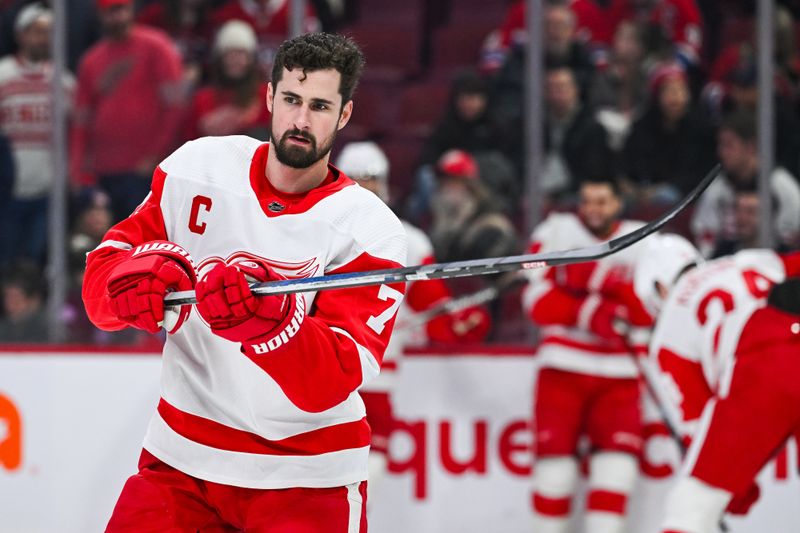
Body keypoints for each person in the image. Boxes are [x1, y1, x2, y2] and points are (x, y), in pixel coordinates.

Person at [82, 32, 407, 531]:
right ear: (270, 97)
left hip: (307, 478)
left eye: (320, 106)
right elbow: (101, 284)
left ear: (343, 115)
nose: (301, 120)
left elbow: (332, 380)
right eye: (293, 100)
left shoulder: (370, 230)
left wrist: (272, 324)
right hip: (182, 463)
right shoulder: (198, 168)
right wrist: (129, 282)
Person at [335, 141, 490, 496]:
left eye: (371, 179)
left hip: (376, 377)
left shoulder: (409, 241)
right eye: (356, 179)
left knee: (364, 476)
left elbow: (436, 317)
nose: (365, 188)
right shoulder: (313, 232)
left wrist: (465, 321)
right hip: (323, 374)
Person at [633, 237, 800, 532]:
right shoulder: (744, 260)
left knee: (689, 511)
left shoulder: (666, 337)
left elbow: (700, 428)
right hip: (789, 328)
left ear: (659, 287)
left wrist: (738, 492)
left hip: (763, 365)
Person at [522, 177, 653, 533]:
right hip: (561, 368)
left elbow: (651, 309)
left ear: (618, 203)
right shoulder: (556, 231)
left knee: (617, 470)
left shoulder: (645, 239)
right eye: (587, 201)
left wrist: (586, 286)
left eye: (602, 201)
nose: (593, 209)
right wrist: (593, 310)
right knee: (554, 473)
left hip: (621, 374)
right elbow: (534, 299)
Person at [70, 0, 184, 223]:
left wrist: (155, 155)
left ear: (131, 10)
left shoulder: (157, 47)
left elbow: (175, 107)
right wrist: (77, 169)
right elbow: (81, 120)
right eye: (111, 11)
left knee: (143, 239)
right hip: (103, 170)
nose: (118, 17)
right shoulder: (92, 60)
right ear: (100, 16)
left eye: (121, 9)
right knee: (106, 241)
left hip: (144, 169)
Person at [0, 3, 74, 268]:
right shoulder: (3, 75)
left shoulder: (62, 81)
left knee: (39, 258)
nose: (43, 38)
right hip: (9, 190)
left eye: (48, 32)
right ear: (21, 34)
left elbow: (74, 130)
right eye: (37, 31)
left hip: (49, 189)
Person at [691, 110, 800, 257]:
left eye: (728, 145)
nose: (721, 152)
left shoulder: (782, 187)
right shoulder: (716, 189)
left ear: (751, 146)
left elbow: (792, 243)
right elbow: (706, 240)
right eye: (720, 145)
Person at [184, 20, 271, 140]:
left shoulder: (266, 94)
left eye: (241, 53)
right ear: (220, 58)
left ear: (251, 58)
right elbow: (190, 138)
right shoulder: (203, 98)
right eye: (230, 54)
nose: (235, 60)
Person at [0, 260, 48, 343]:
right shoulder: (3, 328)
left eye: (16, 296)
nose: (9, 301)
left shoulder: (45, 331)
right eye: (7, 295)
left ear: (33, 300)